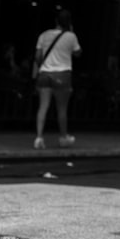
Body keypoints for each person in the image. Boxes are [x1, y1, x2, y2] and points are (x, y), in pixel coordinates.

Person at [33, 9, 81, 149]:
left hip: (45, 73)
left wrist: (42, 65)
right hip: (62, 74)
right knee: (61, 108)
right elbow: (78, 53)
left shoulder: (44, 35)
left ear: (56, 21)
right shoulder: (71, 36)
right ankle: (63, 137)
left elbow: (37, 56)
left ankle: (39, 137)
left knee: (43, 106)